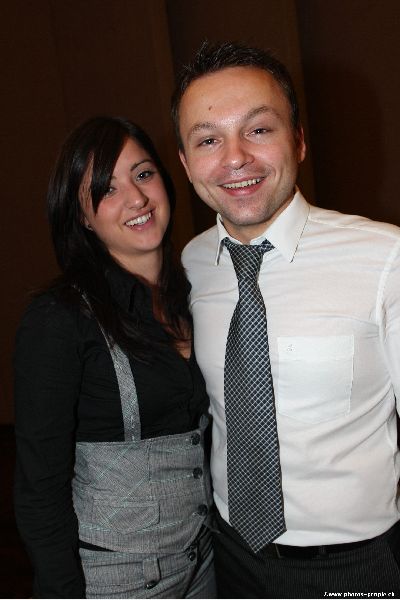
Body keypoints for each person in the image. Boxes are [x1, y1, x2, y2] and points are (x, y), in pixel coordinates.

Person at [171, 40, 400, 598]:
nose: (234, 159)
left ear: (298, 139)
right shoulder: (191, 265)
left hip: (355, 565)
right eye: (208, 139)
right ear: (185, 162)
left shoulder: (386, 258)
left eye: (258, 129)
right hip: (229, 554)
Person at [14, 116, 216, 599]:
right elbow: (39, 486)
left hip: (208, 563)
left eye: (143, 174)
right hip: (116, 578)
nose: (136, 198)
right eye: (106, 188)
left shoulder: (202, 292)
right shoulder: (60, 318)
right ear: (83, 216)